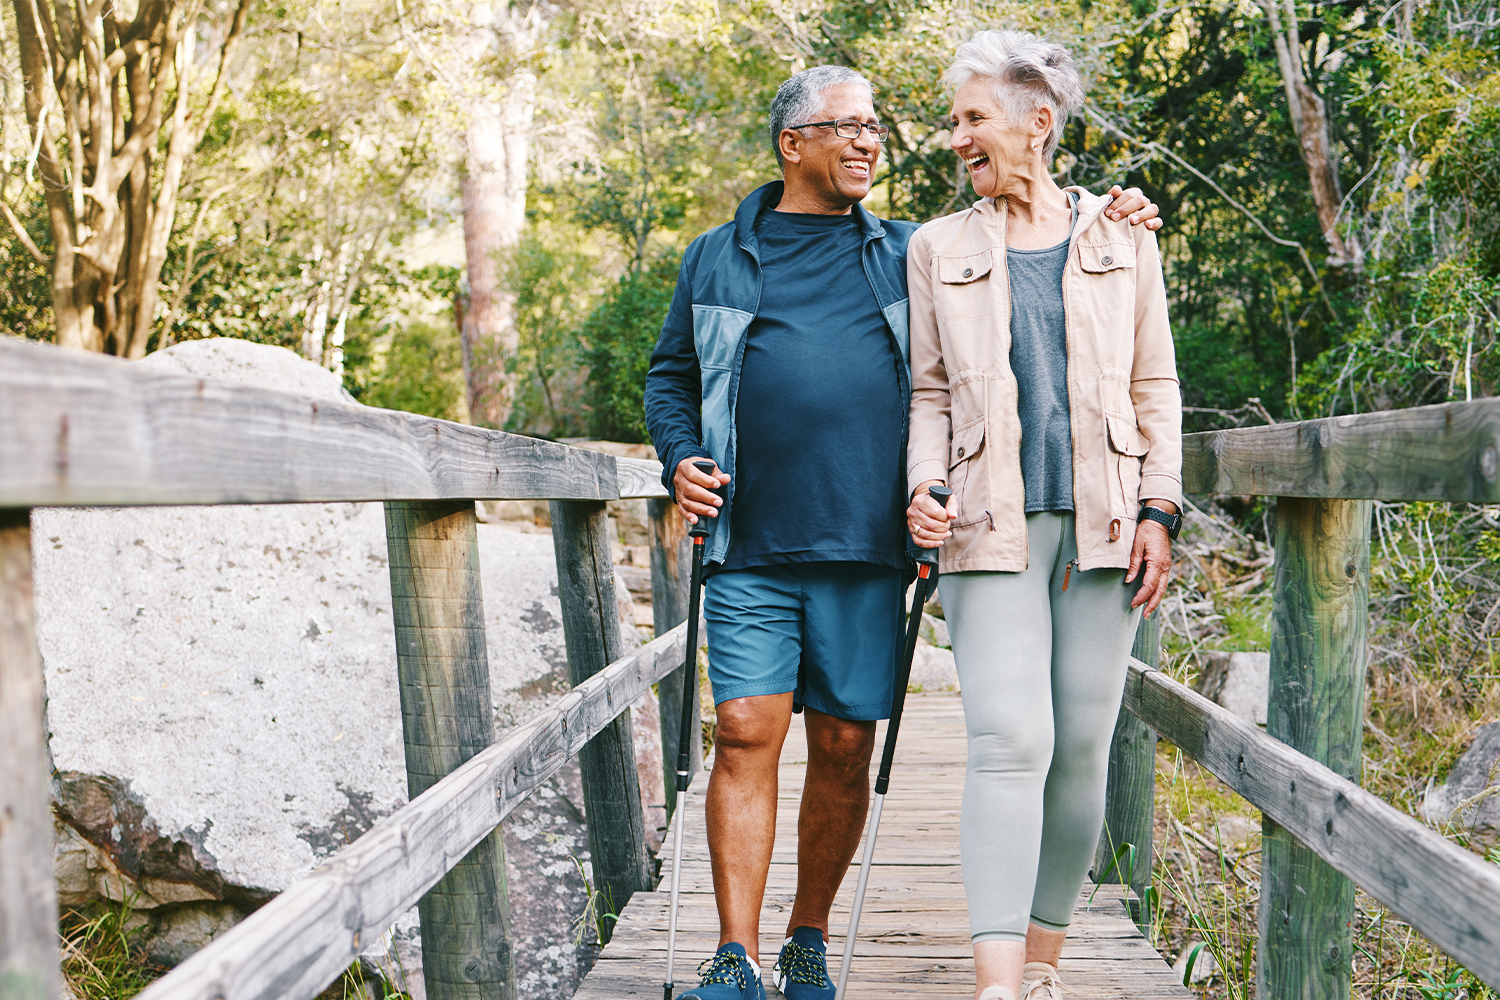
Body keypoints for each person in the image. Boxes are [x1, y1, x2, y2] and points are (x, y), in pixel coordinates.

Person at [645, 63, 1162, 1000]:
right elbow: (671, 376)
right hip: (747, 538)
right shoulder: (715, 257)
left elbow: (991, 311)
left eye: (875, 126)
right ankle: (734, 956)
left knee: (845, 744)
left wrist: (1111, 209)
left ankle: (806, 940)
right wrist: (678, 455)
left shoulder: (907, 250)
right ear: (792, 143)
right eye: (846, 126)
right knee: (745, 729)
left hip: (868, 546)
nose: (869, 141)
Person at [903, 30, 1183, 1000]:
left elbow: (1156, 384)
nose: (957, 138)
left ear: (1038, 123)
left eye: (972, 118)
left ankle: (1042, 969)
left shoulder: (1123, 234)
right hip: (987, 523)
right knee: (1008, 740)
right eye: (955, 121)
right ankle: (995, 984)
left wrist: (1160, 508)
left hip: (1107, 525)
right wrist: (922, 484)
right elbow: (929, 391)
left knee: (1079, 748)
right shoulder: (936, 247)